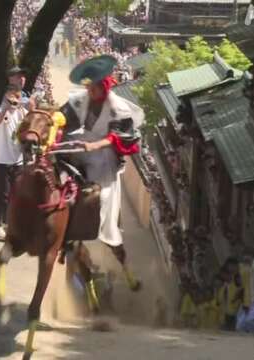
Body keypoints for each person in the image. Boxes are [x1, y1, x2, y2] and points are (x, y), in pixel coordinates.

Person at [62, 55, 144, 291]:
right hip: (82, 145)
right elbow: (64, 115)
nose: (89, 91)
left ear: (103, 86)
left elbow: (117, 137)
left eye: (93, 87)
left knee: (100, 196)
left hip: (104, 156)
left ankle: (100, 226)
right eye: (87, 87)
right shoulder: (81, 100)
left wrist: (95, 146)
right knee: (58, 164)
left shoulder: (118, 108)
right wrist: (55, 119)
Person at [0, 84, 27, 240]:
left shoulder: (22, 113)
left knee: (16, 195)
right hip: (1, 159)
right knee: (2, 194)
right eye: (11, 97)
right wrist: (5, 108)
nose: (14, 100)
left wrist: (26, 107)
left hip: (17, 160)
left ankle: (10, 224)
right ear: (4, 96)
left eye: (17, 97)